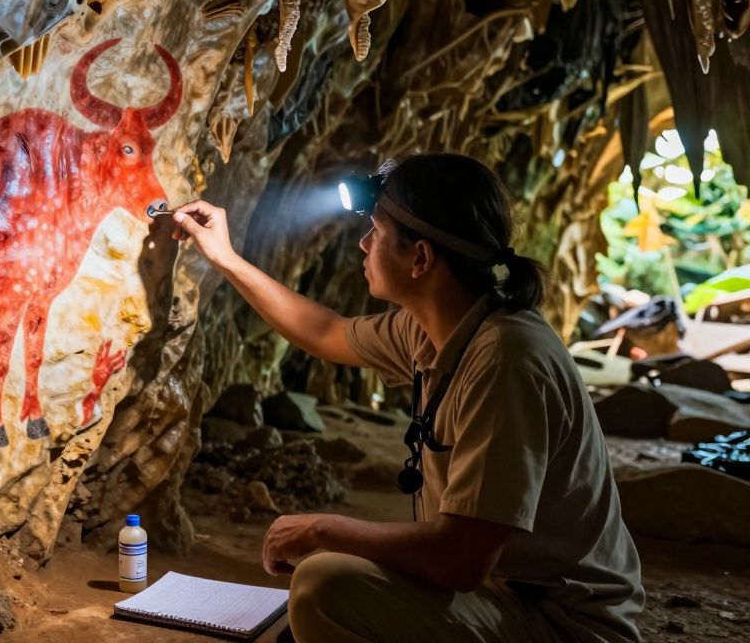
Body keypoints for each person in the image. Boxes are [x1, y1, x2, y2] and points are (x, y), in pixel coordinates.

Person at [171, 153, 643, 643]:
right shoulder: (437, 327)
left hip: (561, 625)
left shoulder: (506, 361)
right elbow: (325, 331)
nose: (363, 244)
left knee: (324, 586)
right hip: (501, 599)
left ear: (419, 258)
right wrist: (224, 257)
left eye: (375, 232)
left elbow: (460, 559)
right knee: (325, 595)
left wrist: (322, 528)